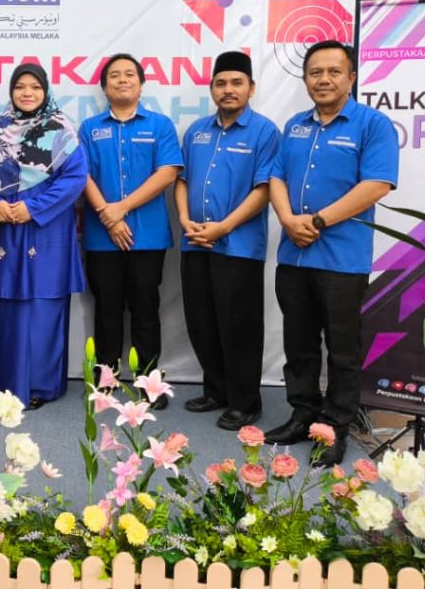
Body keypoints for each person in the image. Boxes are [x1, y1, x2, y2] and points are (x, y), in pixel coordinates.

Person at [264, 40, 399, 467]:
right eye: (315, 72)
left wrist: (318, 221)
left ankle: (335, 426)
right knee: (298, 343)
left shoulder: (372, 125)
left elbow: (376, 185)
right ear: (306, 79)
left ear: (351, 77)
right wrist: (288, 219)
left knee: (342, 350)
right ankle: (302, 414)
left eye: (334, 72)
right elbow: (276, 176)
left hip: (342, 260)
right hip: (294, 256)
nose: (323, 79)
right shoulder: (295, 126)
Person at [175, 51, 279, 430]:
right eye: (221, 83)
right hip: (194, 241)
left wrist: (223, 227)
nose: (228, 89)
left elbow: (264, 189)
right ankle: (216, 390)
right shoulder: (197, 131)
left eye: (237, 83)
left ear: (251, 88)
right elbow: (182, 179)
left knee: (239, 326)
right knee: (201, 321)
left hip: (238, 246)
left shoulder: (265, 132)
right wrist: (184, 220)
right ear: (212, 89)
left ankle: (245, 401)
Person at [79, 53, 181, 406]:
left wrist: (120, 209)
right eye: (115, 76)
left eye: (129, 75)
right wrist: (108, 216)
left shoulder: (160, 125)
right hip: (101, 237)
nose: (122, 80)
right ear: (104, 87)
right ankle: (105, 382)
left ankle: (149, 383)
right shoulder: (90, 128)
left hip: (148, 236)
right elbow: (82, 175)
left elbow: (167, 172)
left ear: (141, 84)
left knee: (145, 310)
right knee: (106, 310)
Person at [0, 63, 87, 409]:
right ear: (11, 91)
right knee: (8, 304)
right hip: (6, 227)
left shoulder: (62, 131)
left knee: (45, 303)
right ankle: (10, 383)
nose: (27, 93)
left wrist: (34, 208)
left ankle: (42, 386)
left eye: (35, 87)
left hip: (47, 227)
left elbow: (74, 178)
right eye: (20, 87)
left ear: (46, 92)